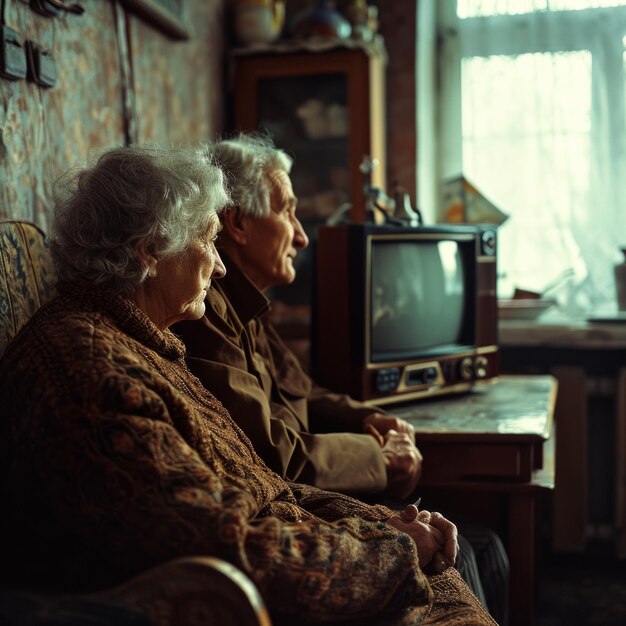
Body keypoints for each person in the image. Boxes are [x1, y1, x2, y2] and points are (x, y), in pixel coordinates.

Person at [0, 145, 496, 625]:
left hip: (302, 559)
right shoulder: (94, 379)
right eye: (209, 240)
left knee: (459, 564)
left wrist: (382, 526)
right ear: (151, 249)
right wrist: (395, 549)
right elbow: (228, 546)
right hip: (245, 599)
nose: (219, 266)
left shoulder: (143, 344)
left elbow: (265, 489)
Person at [173, 133, 509, 626]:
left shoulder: (245, 305)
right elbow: (273, 452)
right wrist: (380, 459)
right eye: (288, 212)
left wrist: (371, 416)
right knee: (476, 551)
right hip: (291, 509)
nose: (303, 236)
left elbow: (302, 391)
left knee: (487, 548)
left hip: (306, 499)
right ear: (238, 224)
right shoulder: (207, 314)